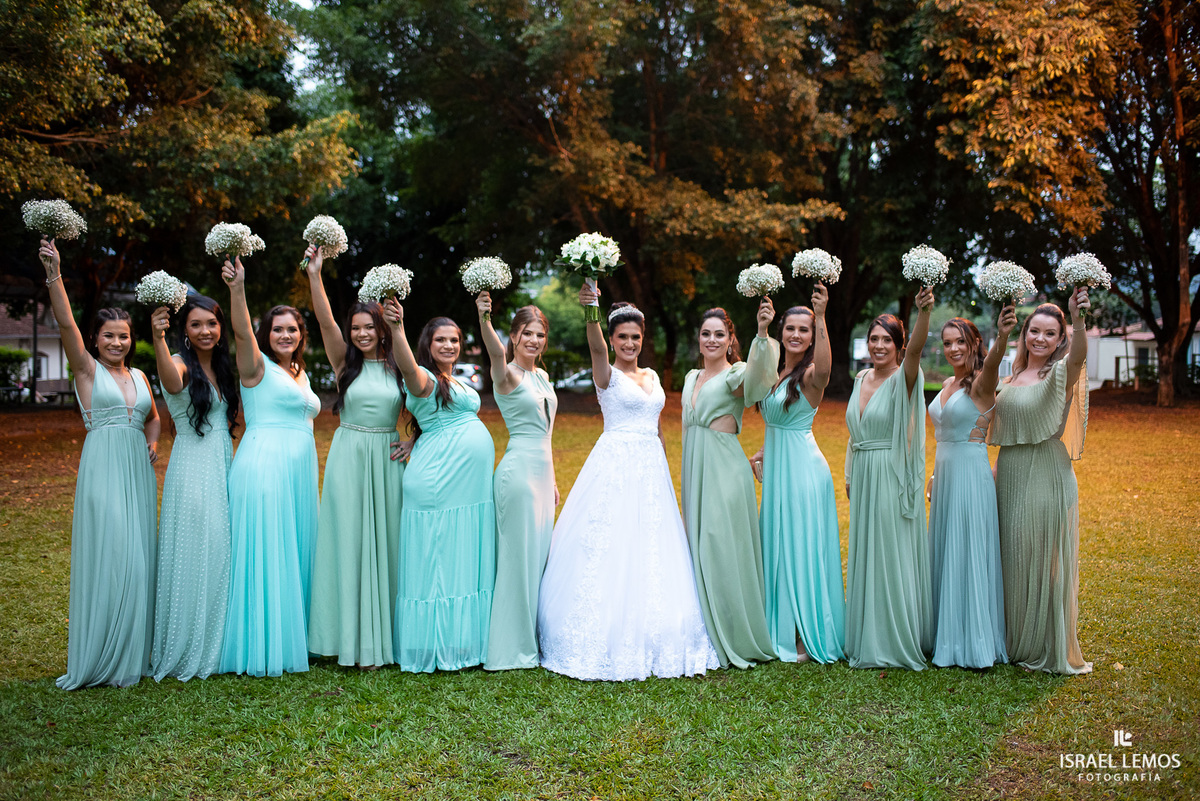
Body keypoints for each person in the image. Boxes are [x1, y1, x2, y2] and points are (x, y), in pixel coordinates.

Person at [537, 288, 719, 681]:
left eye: (635, 337)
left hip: (651, 467)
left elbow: (657, 427)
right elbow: (596, 347)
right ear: (613, 339)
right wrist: (592, 311)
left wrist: (667, 467)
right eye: (623, 337)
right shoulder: (606, 373)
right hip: (615, 464)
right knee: (611, 541)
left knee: (653, 545)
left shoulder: (652, 376)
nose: (630, 343)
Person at [41, 239, 160, 689]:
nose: (116, 342)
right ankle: (102, 654)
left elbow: (152, 419)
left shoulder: (142, 376)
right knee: (116, 556)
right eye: (108, 336)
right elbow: (65, 322)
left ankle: (132, 651)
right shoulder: (87, 370)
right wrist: (54, 274)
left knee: (139, 558)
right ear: (95, 340)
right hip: (104, 470)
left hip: (137, 473)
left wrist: (151, 443)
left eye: (123, 336)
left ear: (132, 339)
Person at [304, 246, 410, 669]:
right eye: (356, 328)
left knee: (387, 543)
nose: (362, 334)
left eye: (369, 327)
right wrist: (315, 274)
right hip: (349, 457)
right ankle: (345, 638)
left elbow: (429, 408)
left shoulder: (398, 364)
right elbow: (325, 319)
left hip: (385, 460)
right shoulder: (342, 361)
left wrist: (414, 442)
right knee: (346, 541)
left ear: (382, 327)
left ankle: (383, 639)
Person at [381, 298, 495, 672]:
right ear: (427, 345)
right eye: (440, 340)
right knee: (438, 558)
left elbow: (436, 419)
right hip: (439, 481)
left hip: (467, 486)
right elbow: (408, 368)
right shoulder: (423, 377)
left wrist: (417, 438)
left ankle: (462, 639)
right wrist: (396, 328)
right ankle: (432, 642)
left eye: (454, 340)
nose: (448, 346)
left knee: (459, 555)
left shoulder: (453, 380)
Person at [218, 257, 319, 677]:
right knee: (267, 552)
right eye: (277, 329)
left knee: (293, 550)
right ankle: (263, 644)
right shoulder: (255, 365)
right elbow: (240, 330)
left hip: (299, 471)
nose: (285, 335)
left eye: (292, 329)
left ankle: (297, 634)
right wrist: (237, 288)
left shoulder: (300, 372)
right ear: (265, 334)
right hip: (264, 466)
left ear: (301, 336)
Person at [989, 291, 1092, 675]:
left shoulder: (1059, 373)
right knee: (1013, 555)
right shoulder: (1011, 376)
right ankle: (1015, 639)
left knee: (1039, 555)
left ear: (1060, 339)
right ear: (1025, 333)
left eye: (1051, 334)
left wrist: (1077, 317)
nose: (1040, 339)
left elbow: (1080, 355)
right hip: (1010, 470)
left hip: (1046, 470)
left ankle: (1043, 644)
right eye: (1035, 331)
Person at [749, 284, 845, 665]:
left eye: (804, 330)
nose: (796, 334)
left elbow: (825, 368)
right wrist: (761, 452)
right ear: (781, 330)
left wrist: (821, 316)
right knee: (779, 546)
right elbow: (775, 422)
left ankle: (808, 636)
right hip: (778, 470)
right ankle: (784, 626)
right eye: (791, 327)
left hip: (804, 471)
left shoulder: (810, 376)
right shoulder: (774, 371)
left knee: (803, 547)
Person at [149, 295, 240, 682]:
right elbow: (169, 380)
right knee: (196, 549)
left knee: (221, 552)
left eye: (212, 324)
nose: (205, 331)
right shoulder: (181, 365)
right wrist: (157, 339)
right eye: (196, 324)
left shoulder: (223, 367)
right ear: (184, 330)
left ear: (221, 329)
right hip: (193, 469)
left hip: (222, 465)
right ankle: (189, 644)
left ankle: (220, 640)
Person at [679, 305, 775, 669]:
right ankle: (702, 626)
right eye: (706, 333)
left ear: (731, 340)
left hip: (724, 468)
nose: (712, 340)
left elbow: (760, 382)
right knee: (697, 544)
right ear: (699, 339)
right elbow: (685, 428)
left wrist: (762, 333)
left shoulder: (737, 374)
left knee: (720, 545)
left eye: (720, 334)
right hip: (695, 466)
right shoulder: (691, 377)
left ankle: (734, 632)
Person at [844, 287, 934, 670]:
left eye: (887, 340)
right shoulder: (860, 377)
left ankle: (893, 636)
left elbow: (916, 351)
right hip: (862, 473)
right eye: (874, 339)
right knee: (867, 550)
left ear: (899, 346)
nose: (879, 346)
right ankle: (868, 630)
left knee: (889, 550)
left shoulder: (904, 378)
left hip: (890, 472)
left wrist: (923, 313)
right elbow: (854, 433)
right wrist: (849, 473)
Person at [926, 311, 1015, 669]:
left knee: (969, 549)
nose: (953, 348)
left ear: (975, 343)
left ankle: (975, 641)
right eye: (947, 342)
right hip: (945, 474)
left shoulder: (981, 382)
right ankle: (945, 634)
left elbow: (993, 365)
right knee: (948, 548)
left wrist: (1003, 337)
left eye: (960, 341)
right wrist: (933, 474)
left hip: (971, 475)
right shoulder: (947, 383)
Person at [476, 293, 559, 671]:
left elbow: (549, 433)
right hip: (519, 475)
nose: (534, 341)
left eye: (540, 335)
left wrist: (554, 480)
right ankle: (513, 647)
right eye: (527, 333)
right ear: (513, 337)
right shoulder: (507, 374)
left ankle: (536, 636)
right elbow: (494, 355)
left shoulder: (542, 376)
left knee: (539, 559)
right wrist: (484, 318)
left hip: (544, 477)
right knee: (518, 561)